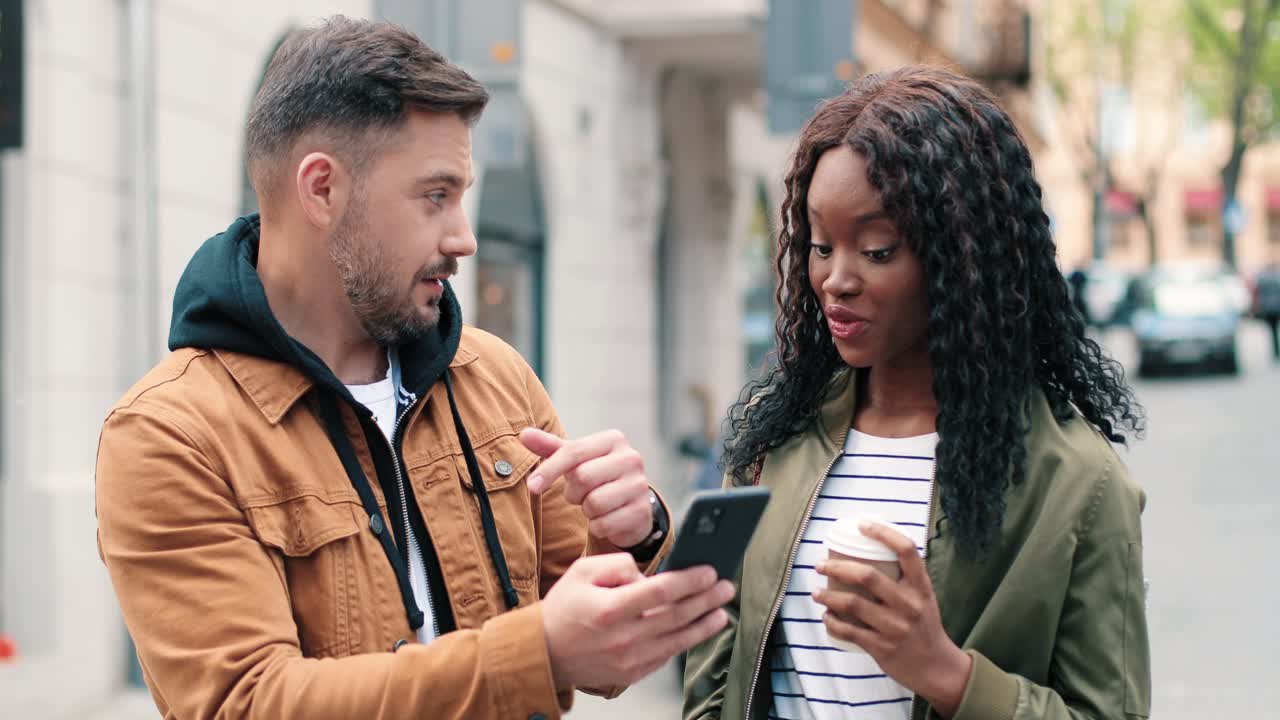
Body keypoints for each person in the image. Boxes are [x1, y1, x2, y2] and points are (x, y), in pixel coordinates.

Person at [95, 17, 733, 720]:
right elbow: (246, 704)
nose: (463, 237)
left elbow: (596, 657)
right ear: (322, 189)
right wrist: (538, 652)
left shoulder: (495, 375)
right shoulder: (170, 434)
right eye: (436, 196)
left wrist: (633, 533)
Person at [683, 66, 1150, 720]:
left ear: (964, 258)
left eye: (877, 250)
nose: (835, 280)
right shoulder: (774, 437)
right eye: (821, 245)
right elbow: (717, 664)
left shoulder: (1080, 484)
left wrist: (948, 674)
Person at [1254, 262, 1280, 361]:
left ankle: (1275, 351)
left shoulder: (1262, 279)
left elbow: (1257, 293)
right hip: (1277, 307)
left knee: (1272, 331)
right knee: (1274, 330)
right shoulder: (1277, 278)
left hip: (1268, 308)